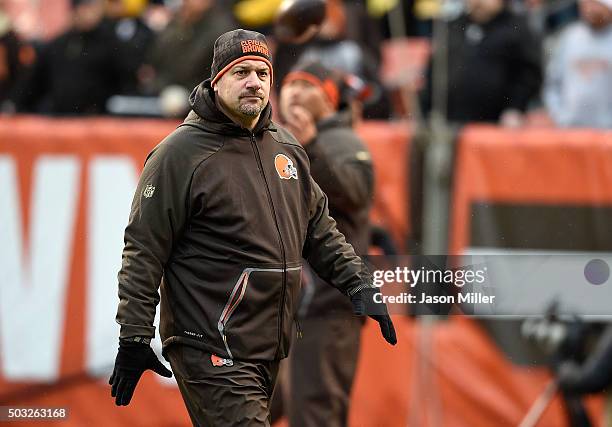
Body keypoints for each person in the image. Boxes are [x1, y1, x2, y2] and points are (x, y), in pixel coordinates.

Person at [109, 29, 396, 426]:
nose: (254, 83)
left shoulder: (287, 147)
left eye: (263, 75)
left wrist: (358, 282)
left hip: (268, 345)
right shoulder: (178, 154)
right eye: (241, 72)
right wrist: (135, 334)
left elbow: (319, 229)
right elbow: (143, 249)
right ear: (217, 80)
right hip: (208, 343)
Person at [270, 61, 374, 427]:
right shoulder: (283, 141)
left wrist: (312, 146)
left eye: (307, 84)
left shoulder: (341, 140)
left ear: (329, 97)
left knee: (316, 412)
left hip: (328, 304)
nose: (295, 90)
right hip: (294, 305)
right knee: (255, 408)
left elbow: (354, 194)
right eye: (289, 82)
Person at [420, 0, 542, 126]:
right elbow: (434, 72)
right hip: (451, 124)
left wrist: (515, 108)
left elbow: (529, 74)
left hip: (497, 125)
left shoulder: (517, 28)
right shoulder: (453, 27)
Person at [14, 0, 121, 114]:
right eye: (84, 8)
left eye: (91, 8)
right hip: (61, 118)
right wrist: (14, 104)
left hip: (98, 119)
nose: (88, 13)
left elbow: (122, 82)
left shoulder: (111, 43)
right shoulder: (58, 44)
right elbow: (34, 83)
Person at [543, 0, 612, 128]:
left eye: (596, 4)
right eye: (586, 3)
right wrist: (560, 117)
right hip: (571, 132)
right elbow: (552, 83)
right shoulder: (569, 37)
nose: (590, 9)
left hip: (608, 134)